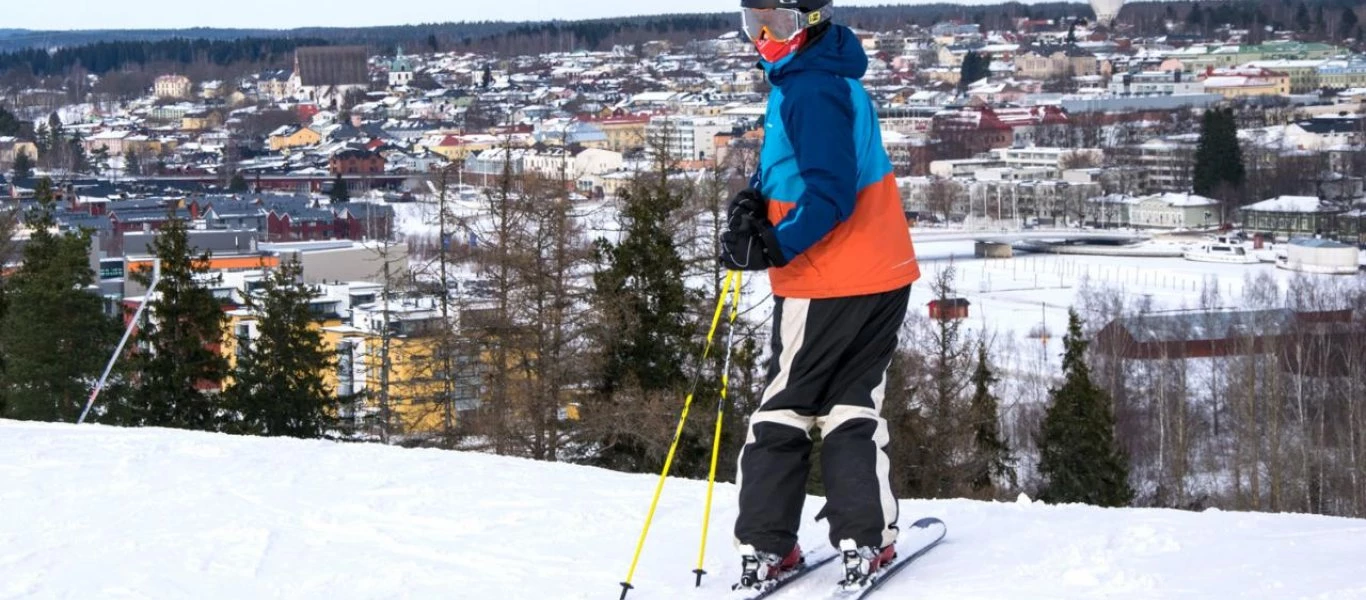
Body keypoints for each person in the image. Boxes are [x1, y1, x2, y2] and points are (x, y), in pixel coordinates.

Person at [720, 0, 920, 591]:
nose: (762, 35)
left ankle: (765, 544)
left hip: (828, 277)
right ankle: (866, 536)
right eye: (751, 21)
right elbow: (807, 167)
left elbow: (831, 195)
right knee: (852, 401)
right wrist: (757, 199)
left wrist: (776, 246)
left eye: (775, 22)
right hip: (882, 271)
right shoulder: (822, 77)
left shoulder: (809, 87)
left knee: (787, 404)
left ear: (808, 21)